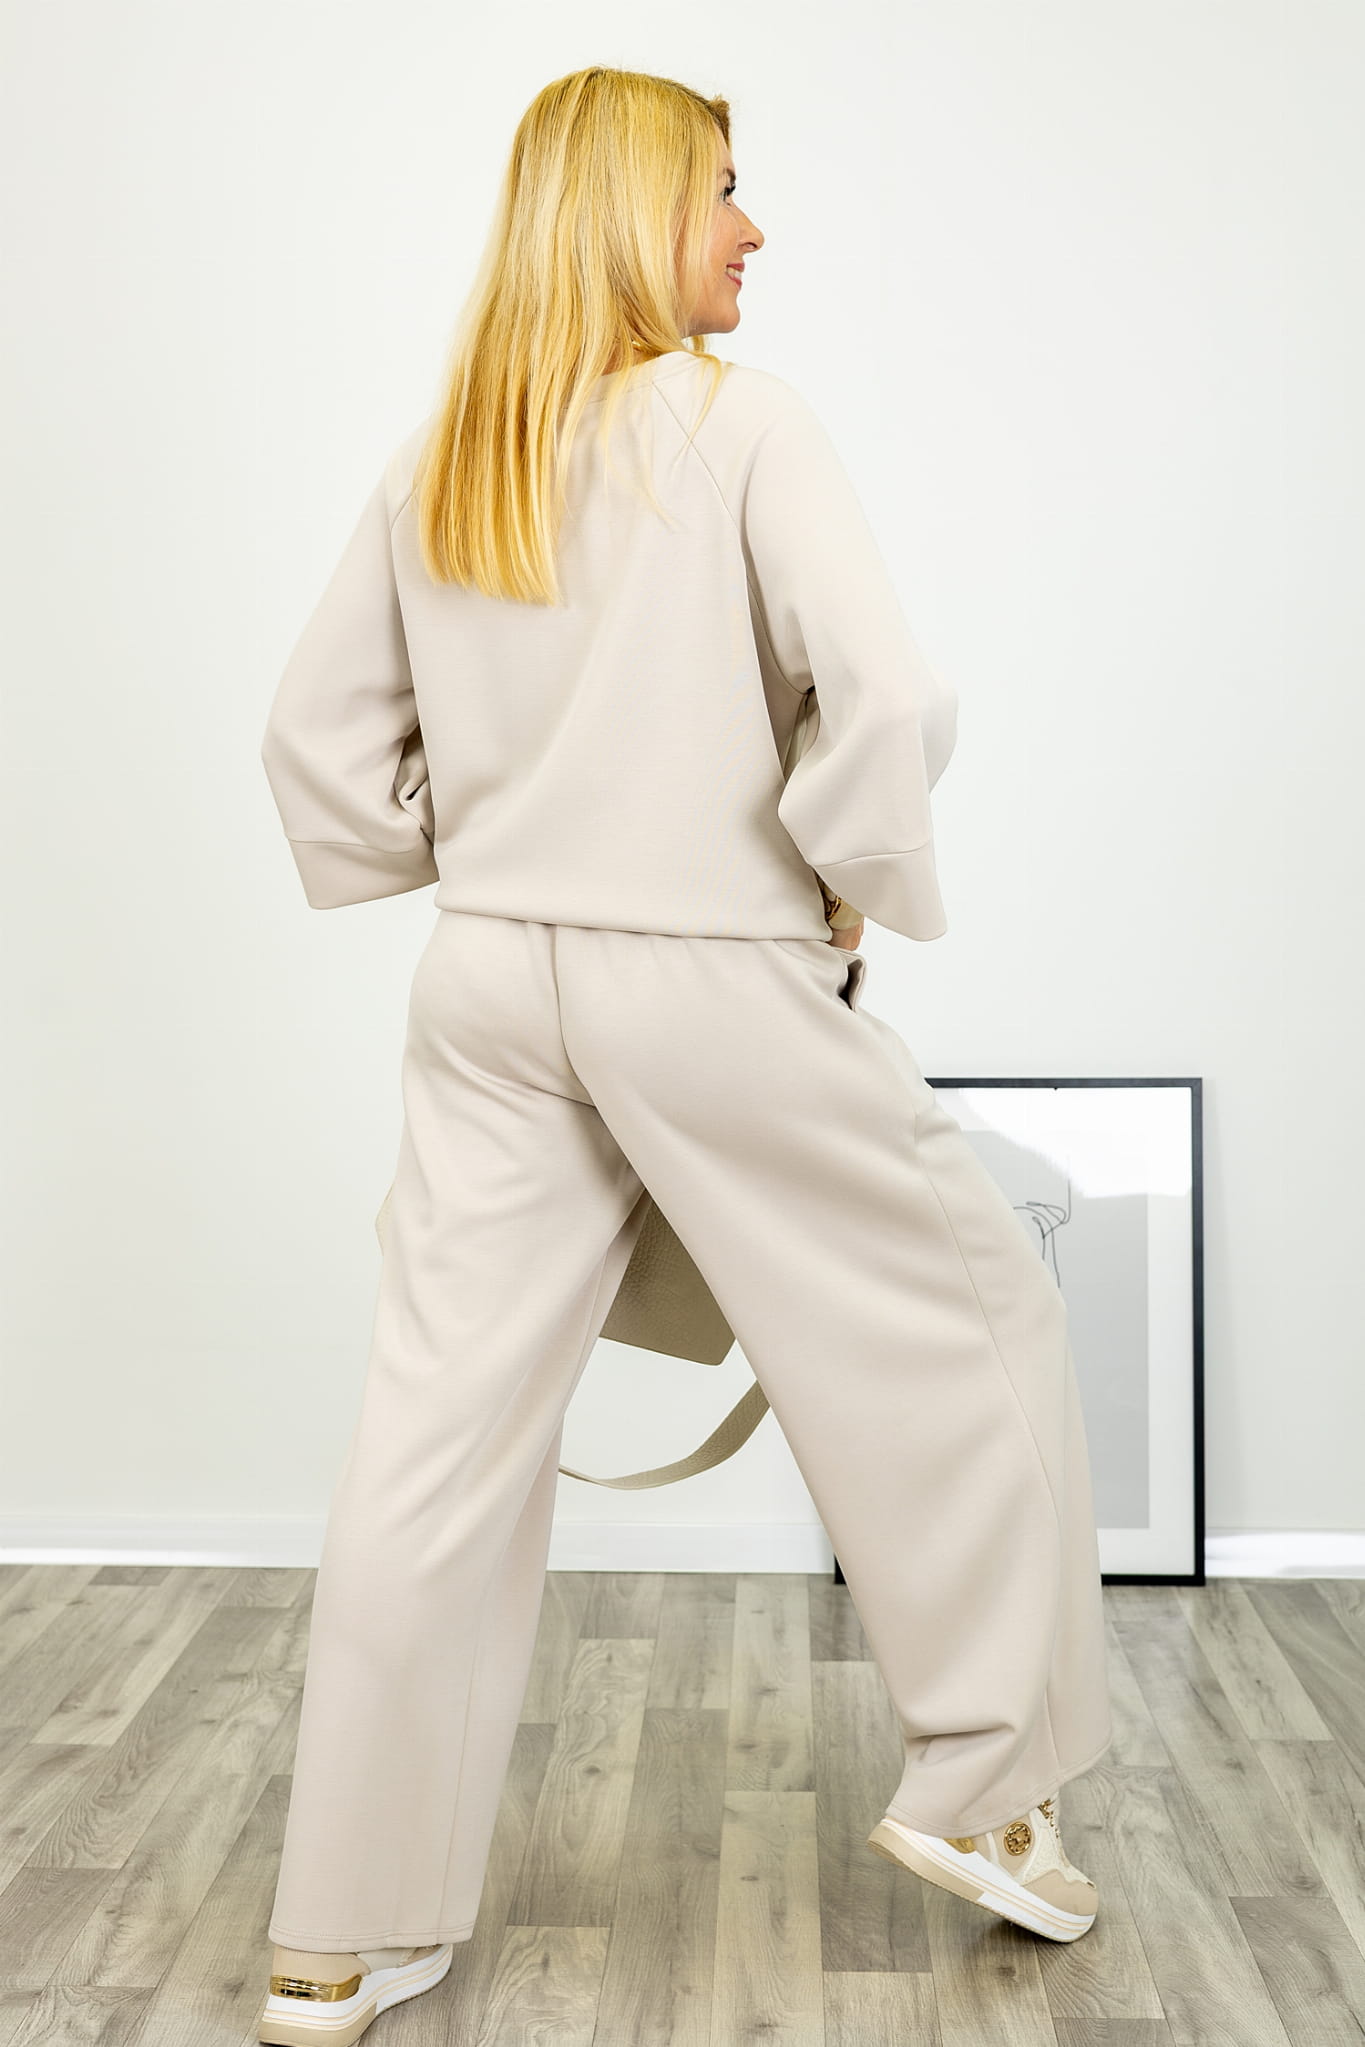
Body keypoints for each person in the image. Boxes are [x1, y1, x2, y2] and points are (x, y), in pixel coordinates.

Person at [255, 64, 1114, 2046]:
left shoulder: (447, 450)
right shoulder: (741, 426)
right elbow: (884, 698)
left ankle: (336, 1935)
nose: (752, 226)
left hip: (487, 984)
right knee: (973, 1315)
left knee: (433, 1436)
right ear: (636, 211)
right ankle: (984, 1786)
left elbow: (317, 748)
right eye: (722, 189)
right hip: (705, 972)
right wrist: (844, 882)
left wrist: (489, 846)